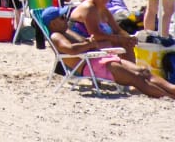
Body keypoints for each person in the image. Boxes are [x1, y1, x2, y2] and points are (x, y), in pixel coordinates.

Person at [40, 7, 175, 98]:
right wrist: (90, 43)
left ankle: (172, 89)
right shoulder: (56, 36)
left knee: (143, 71)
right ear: (53, 24)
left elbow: (82, 44)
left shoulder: (65, 31)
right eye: (62, 17)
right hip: (93, 65)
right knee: (137, 79)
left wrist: (90, 43)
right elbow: (70, 49)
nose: (66, 19)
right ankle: (168, 96)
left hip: (99, 58)